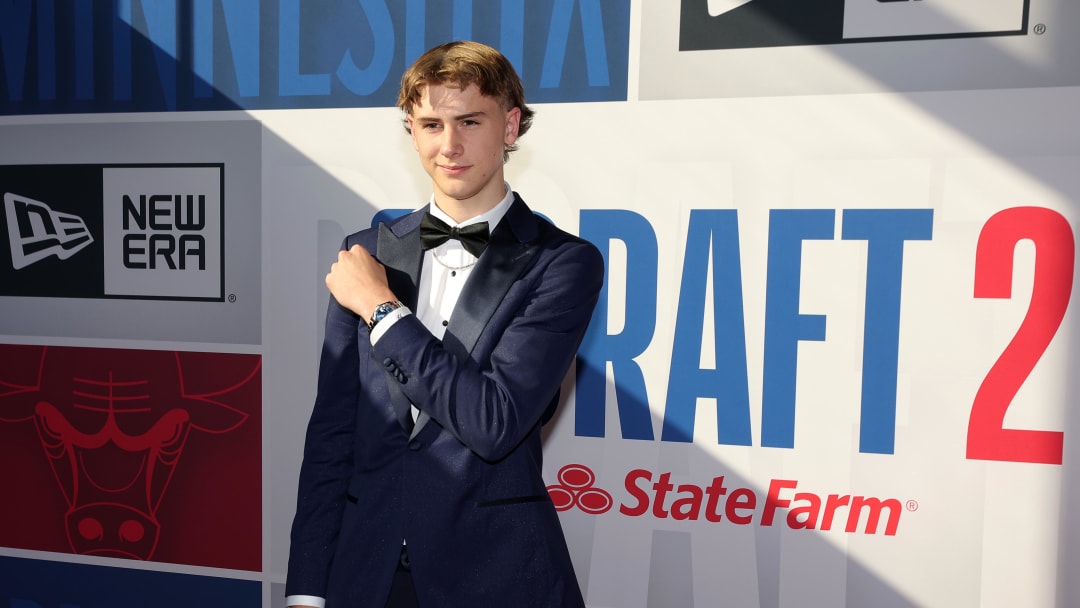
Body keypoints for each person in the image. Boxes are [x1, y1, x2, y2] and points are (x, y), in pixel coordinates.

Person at [285, 40, 603, 607]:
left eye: (469, 122)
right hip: (368, 576)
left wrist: (383, 310)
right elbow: (332, 436)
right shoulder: (366, 254)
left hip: (496, 579)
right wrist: (307, 589)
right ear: (411, 130)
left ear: (510, 127)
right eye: (431, 124)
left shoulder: (562, 263)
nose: (449, 146)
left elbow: (493, 420)